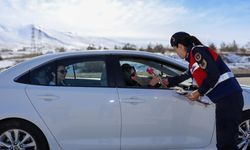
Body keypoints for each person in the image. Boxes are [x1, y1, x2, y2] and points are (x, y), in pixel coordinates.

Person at [163, 32, 244, 150]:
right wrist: (169, 81)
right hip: (225, 99)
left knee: (227, 145)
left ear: (180, 46)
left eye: (175, 49)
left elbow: (213, 74)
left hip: (229, 98)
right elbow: (185, 75)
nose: (176, 52)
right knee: (223, 144)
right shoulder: (192, 60)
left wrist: (199, 92)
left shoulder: (197, 52)